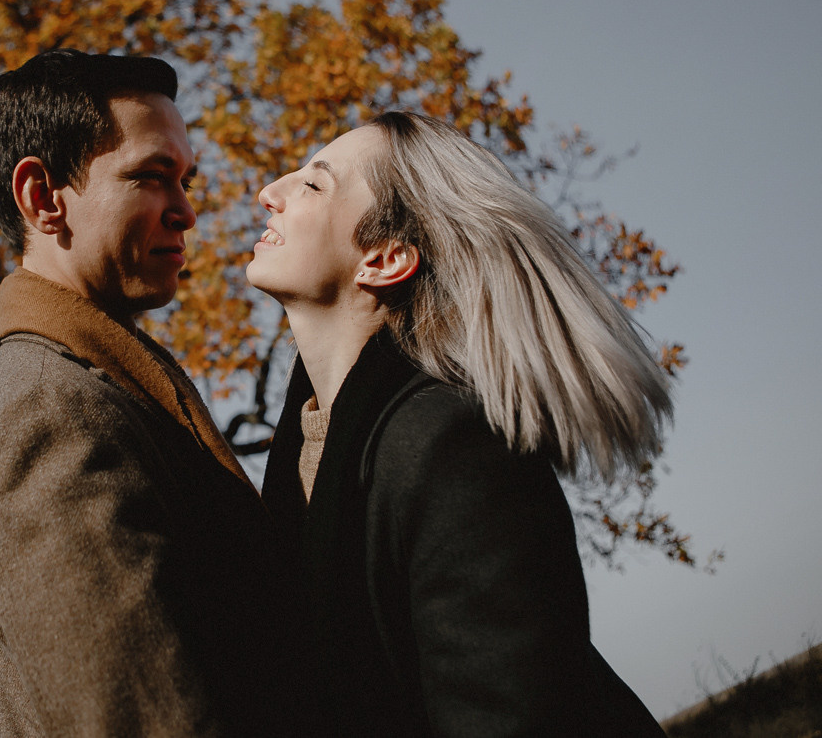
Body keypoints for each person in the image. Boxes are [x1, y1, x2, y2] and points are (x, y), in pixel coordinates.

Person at [248, 110, 670, 737]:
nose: (269, 193)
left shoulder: (451, 449)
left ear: (386, 258)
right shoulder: (309, 452)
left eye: (313, 184)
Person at [0, 49, 305, 737]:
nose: (187, 212)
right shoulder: (48, 415)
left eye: (186, 179)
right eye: (151, 176)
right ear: (42, 197)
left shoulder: (103, 389)